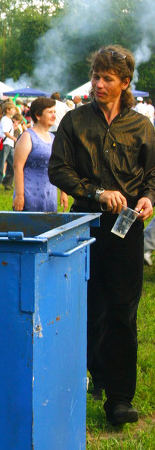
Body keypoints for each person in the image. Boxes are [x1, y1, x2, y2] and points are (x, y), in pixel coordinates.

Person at [48, 46, 155, 426]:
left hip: (127, 229)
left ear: (125, 83)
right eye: (96, 76)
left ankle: (120, 398)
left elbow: (152, 174)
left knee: (124, 311)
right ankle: (94, 372)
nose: (98, 84)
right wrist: (95, 192)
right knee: (90, 308)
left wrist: (148, 198)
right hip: (86, 227)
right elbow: (57, 169)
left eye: (107, 78)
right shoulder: (74, 121)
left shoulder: (142, 126)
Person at [13, 97, 68, 212]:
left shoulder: (53, 138)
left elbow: (59, 167)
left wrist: (64, 191)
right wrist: (19, 195)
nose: (54, 116)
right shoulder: (27, 136)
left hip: (49, 195)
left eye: (54, 112)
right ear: (38, 115)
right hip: (30, 195)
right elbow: (18, 167)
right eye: (50, 112)